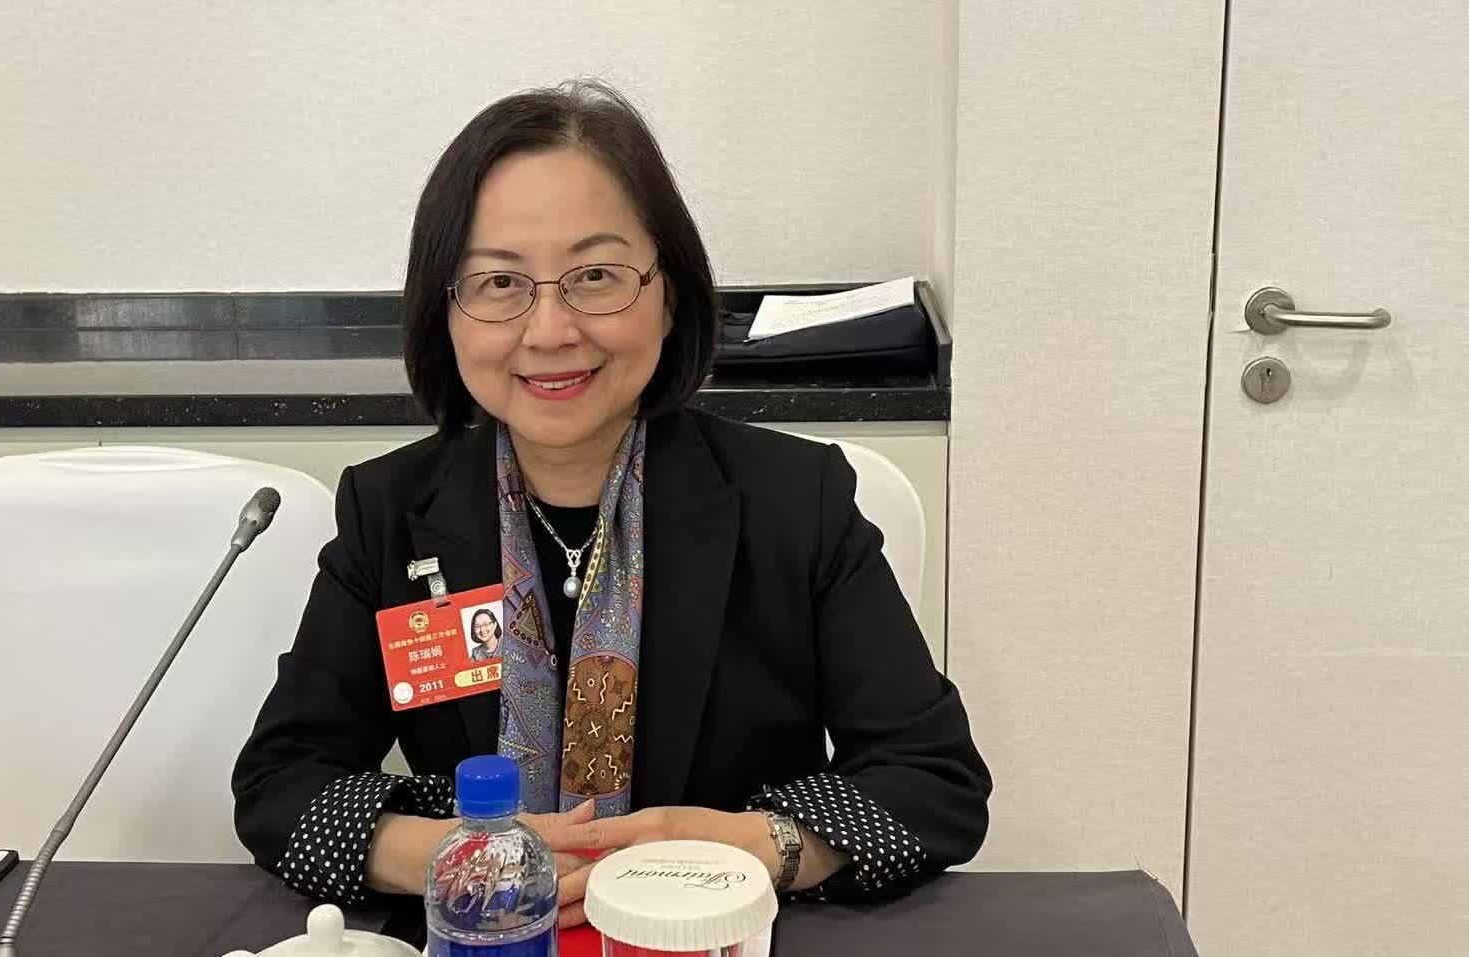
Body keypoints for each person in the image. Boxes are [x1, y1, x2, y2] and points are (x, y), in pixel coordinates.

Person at [233, 80, 991, 927]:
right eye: (499, 282)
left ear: (669, 293)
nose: (550, 330)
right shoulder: (388, 512)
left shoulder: (796, 501)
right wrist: (459, 854)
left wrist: (744, 847)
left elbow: (936, 782)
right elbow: (279, 785)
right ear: (445, 312)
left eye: (596, 275)